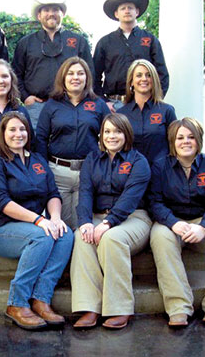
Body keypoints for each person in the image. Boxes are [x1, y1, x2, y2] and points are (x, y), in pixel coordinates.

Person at [0, 112, 73, 330]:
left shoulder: (37, 160)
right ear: (2, 134)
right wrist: (40, 220)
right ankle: (17, 303)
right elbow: (2, 203)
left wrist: (56, 219)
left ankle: (41, 299)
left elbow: (52, 193)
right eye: (12, 129)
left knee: (65, 234)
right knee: (42, 237)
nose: (18, 134)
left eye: (22, 129)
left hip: (31, 224)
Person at [148, 118, 205, 327]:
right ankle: (179, 307)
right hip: (171, 222)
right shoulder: (160, 166)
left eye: (190, 137)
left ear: (198, 140)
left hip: (202, 221)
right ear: (172, 142)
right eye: (180, 138)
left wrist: (204, 226)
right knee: (159, 237)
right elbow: (154, 201)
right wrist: (172, 222)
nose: (185, 142)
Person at [70, 113, 152, 330]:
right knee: (81, 236)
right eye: (107, 131)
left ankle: (120, 308)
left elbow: (130, 199)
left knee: (112, 238)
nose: (111, 136)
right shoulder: (92, 159)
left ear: (126, 134)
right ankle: (89, 307)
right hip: (98, 215)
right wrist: (86, 222)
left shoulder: (139, 162)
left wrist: (108, 223)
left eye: (117, 131)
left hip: (134, 217)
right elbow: (85, 193)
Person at [36, 57, 110, 229]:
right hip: (57, 172)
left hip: (88, 172)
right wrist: (44, 168)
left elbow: (111, 136)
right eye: (70, 73)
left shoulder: (98, 105)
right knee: (59, 223)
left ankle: (80, 256)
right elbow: (40, 137)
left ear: (87, 78)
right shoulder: (52, 105)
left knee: (82, 223)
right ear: (63, 77)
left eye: (80, 73)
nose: (75, 77)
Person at [12, 0, 94, 127]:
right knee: (36, 144)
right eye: (46, 10)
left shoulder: (78, 41)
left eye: (55, 9)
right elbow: (15, 74)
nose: (51, 13)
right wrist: (25, 97)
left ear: (63, 14)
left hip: (69, 105)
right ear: (39, 15)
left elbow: (90, 74)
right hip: (36, 107)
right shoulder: (26, 43)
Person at [93, 0, 169, 112]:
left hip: (143, 104)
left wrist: (154, 101)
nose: (127, 11)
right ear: (116, 14)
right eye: (123, 8)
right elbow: (94, 76)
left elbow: (162, 74)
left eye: (130, 8)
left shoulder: (150, 40)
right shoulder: (105, 42)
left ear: (137, 12)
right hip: (114, 105)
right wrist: (103, 102)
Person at [117, 59, 177, 165]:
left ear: (154, 80)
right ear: (131, 81)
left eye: (148, 75)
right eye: (139, 75)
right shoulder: (121, 114)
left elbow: (175, 145)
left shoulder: (167, 111)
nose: (144, 79)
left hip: (161, 174)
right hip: (131, 174)